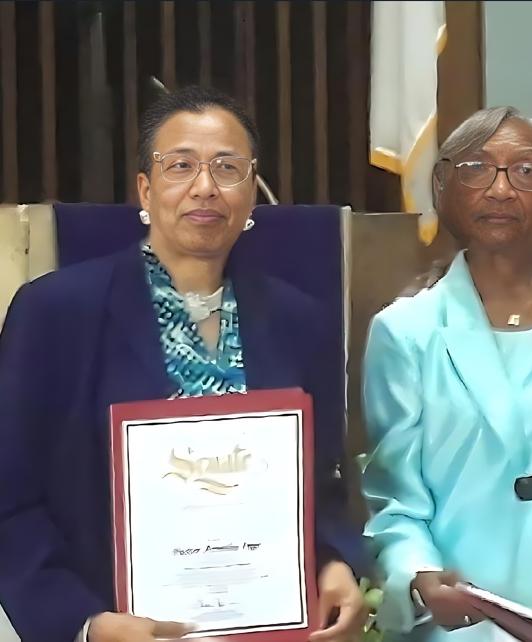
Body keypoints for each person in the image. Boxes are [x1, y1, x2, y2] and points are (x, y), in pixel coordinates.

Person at [0, 86, 368, 642]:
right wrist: (83, 624)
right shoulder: (56, 312)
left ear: (249, 193)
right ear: (145, 189)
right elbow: (11, 495)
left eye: (227, 167)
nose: (205, 187)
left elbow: (324, 485)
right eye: (181, 166)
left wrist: (334, 563)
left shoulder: (300, 319)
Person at [360, 106, 532, 641]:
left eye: (526, 171)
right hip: (469, 622)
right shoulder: (408, 332)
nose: (501, 189)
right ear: (445, 191)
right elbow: (394, 500)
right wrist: (417, 575)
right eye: (477, 169)